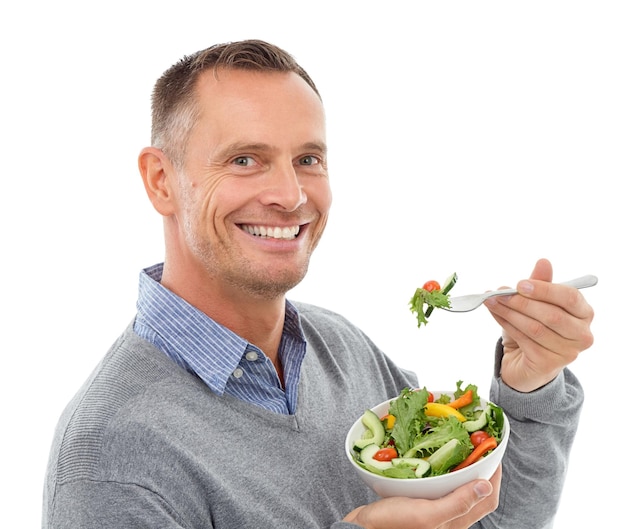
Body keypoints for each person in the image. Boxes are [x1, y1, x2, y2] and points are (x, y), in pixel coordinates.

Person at [42, 39, 594, 529]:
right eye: (244, 159)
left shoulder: (344, 349)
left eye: (307, 159)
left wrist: (530, 383)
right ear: (162, 181)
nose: (290, 194)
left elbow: (487, 519)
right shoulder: (110, 456)